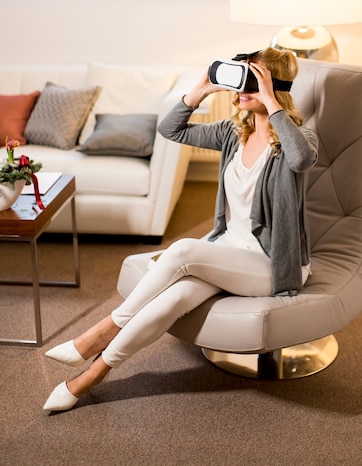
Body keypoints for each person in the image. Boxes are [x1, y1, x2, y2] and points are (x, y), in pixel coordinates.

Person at [43, 47, 318, 412]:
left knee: (185, 250)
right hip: (229, 254)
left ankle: (102, 330)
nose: (241, 89)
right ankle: (89, 377)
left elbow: (301, 159)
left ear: (274, 86)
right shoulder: (231, 133)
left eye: (251, 81)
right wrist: (201, 89)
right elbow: (169, 129)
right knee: (172, 300)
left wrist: (269, 100)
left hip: (273, 264)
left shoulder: (297, 138)